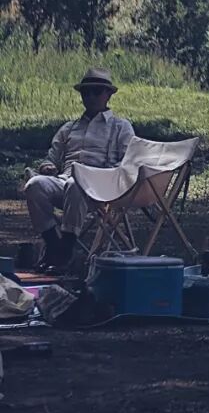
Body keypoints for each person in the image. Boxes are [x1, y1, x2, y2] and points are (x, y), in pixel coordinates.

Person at [24, 69, 134, 271]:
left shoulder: (120, 127)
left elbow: (127, 163)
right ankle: (54, 244)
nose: (90, 96)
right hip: (65, 181)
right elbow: (51, 158)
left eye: (96, 91)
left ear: (108, 95)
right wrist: (47, 167)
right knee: (34, 185)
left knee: (76, 183)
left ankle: (65, 248)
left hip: (101, 186)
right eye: (86, 92)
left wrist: (103, 175)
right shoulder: (69, 128)